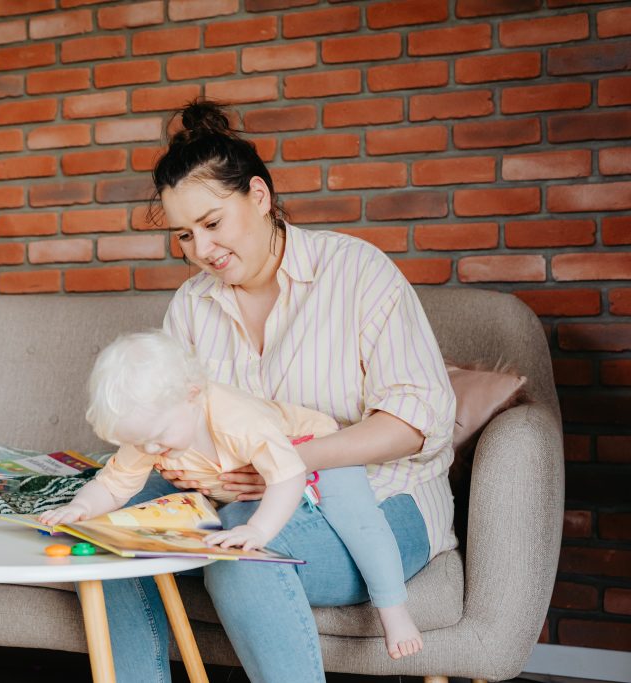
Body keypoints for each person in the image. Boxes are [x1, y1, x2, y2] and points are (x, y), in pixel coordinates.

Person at [96, 99, 457, 683]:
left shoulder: (357, 272)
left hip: (375, 505)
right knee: (116, 531)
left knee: (242, 554)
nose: (201, 251)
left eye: (213, 224)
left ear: (259, 197)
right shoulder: (191, 305)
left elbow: (415, 424)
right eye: (185, 236)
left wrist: (284, 463)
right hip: (233, 496)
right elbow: (176, 421)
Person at [40, 330, 424, 658]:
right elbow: (113, 483)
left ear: (192, 396)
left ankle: (393, 610)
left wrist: (258, 531)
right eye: (143, 442)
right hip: (251, 472)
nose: (152, 450)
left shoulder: (236, 420)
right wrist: (80, 507)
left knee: (359, 521)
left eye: (158, 438)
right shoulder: (152, 432)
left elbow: (287, 476)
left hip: (310, 450)